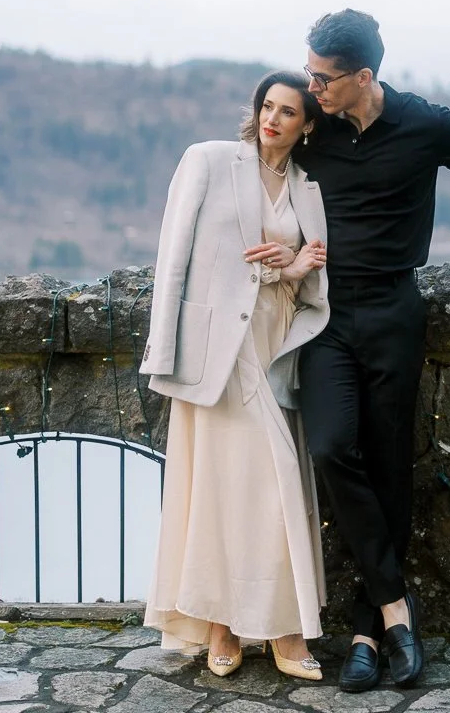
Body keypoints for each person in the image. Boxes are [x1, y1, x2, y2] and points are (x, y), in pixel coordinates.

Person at [297, 9, 450, 692]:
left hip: (395, 309)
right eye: (308, 74)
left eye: (323, 78)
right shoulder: (314, 125)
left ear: (363, 77)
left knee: (391, 461)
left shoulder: (426, 124)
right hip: (326, 313)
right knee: (333, 447)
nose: (313, 88)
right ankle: (399, 604)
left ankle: (370, 629)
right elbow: (258, 169)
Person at [140, 71, 330, 681]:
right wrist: (163, 352)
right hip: (216, 351)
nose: (273, 119)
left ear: (307, 125)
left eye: (289, 112)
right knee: (226, 488)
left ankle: (272, 627)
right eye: (267, 107)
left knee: (270, 484)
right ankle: (237, 626)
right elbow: (173, 259)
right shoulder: (209, 160)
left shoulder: (308, 190)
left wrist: (296, 266)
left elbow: (311, 284)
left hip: (275, 349)